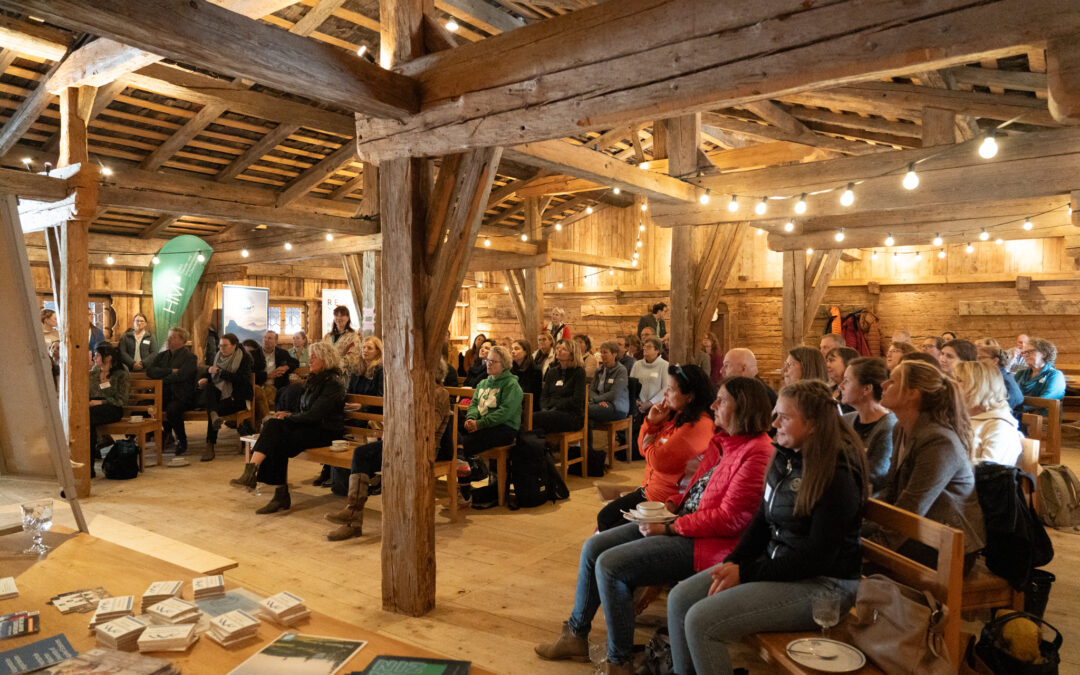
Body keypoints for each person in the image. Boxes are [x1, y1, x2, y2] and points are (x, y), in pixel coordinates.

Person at [536, 377, 775, 674]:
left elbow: (731, 519)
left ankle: (618, 660)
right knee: (594, 546)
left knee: (610, 566)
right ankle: (575, 634)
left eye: (722, 400)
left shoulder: (758, 451)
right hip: (681, 520)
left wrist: (673, 526)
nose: (714, 405)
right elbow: (697, 487)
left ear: (743, 408)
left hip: (707, 543)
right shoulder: (724, 440)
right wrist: (674, 503)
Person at [666, 380, 870, 675]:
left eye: (784, 417)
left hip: (824, 585)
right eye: (775, 415)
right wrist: (734, 561)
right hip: (781, 568)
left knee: (702, 621)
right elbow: (761, 521)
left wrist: (746, 572)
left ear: (812, 424)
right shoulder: (786, 457)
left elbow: (818, 556)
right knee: (680, 598)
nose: (774, 424)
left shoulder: (836, 474)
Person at [324, 363, 453, 540]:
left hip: (423, 449)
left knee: (378, 457)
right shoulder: (411, 389)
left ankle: (394, 522)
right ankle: (353, 516)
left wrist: (400, 424)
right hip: (400, 443)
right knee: (361, 454)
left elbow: (428, 429)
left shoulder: (439, 393)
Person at [876, 360, 985, 569]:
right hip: (917, 530)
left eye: (893, 381)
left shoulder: (938, 440)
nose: (883, 384)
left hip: (946, 546)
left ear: (912, 393)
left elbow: (913, 504)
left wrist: (876, 546)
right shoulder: (900, 428)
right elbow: (892, 488)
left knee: (843, 558)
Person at [597, 364, 715, 531]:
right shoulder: (676, 416)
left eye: (671, 389)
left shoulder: (698, 426)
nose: (665, 394)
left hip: (666, 505)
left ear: (689, 396)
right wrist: (651, 423)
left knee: (609, 530)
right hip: (649, 491)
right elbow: (641, 448)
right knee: (604, 518)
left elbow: (659, 461)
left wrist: (649, 445)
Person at [232, 342, 347, 513]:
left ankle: (269, 486)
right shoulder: (316, 379)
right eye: (311, 356)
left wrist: (291, 417)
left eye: (315, 357)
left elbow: (316, 415)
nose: (310, 360)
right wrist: (289, 413)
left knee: (275, 432)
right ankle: (266, 484)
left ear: (326, 359)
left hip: (326, 432)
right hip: (310, 427)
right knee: (275, 431)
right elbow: (305, 410)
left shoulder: (333, 383)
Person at [839, 357, 896, 495]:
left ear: (867, 388)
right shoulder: (845, 421)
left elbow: (875, 476)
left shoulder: (889, 427)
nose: (841, 386)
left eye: (847, 380)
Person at [954, 361, 1023, 466]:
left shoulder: (1001, 427)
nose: (950, 385)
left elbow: (992, 474)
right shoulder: (957, 418)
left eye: (958, 380)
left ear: (979, 387)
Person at [197, 333, 252, 462]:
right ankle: (214, 416)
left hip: (238, 397)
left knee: (212, 410)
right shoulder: (218, 356)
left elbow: (242, 380)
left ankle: (210, 445)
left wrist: (221, 373)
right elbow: (210, 370)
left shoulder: (244, 358)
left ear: (234, 345)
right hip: (220, 396)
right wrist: (203, 378)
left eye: (225, 346)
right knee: (210, 389)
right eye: (220, 346)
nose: (222, 349)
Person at [461, 345, 524, 459]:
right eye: (487, 360)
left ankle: (471, 469)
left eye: (493, 361)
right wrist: (471, 419)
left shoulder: (511, 385)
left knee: (465, 443)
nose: (488, 364)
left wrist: (479, 424)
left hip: (504, 428)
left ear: (504, 364)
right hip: (482, 425)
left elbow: (504, 412)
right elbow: (474, 404)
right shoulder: (483, 383)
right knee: (454, 433)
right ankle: (467, 466)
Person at [146, 327, 198, 461]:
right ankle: (165, 434)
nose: (169, 340)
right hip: (163, 394)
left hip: (181, 396)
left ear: (183, 341)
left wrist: (161, 380)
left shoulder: (190, 357)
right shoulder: (162, 355)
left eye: (173, 337)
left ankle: (182, 440)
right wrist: (169, 371)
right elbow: (150, 371)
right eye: (169, 337)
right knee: (144, 406)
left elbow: (181, 376)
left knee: (172, 410)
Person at [89, 343, 130, 478]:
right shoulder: (94, 372)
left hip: (112, 408)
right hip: (94, 408)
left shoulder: (120, 374)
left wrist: (101, 402)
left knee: (87, 419)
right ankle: (89, 464)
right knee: (86, 421)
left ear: (108, 357)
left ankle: (90, 463)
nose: (94, 357)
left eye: (98, 355)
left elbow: (122, 400)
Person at [534, 339, 587, 434]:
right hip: (550, 412)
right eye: (558, 348)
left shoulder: (579, 372)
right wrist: (545, 408)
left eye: (563, 349)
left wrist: (555, 406)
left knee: (533, 419)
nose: (558, 350)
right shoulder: (552, 372)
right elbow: (544, 396)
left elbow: (577, 400)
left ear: (572, 354)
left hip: (571, 415)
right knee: (533, 422)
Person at [587, 341, 629, 451]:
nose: (602, 355)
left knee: (584, 410)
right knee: (586, 418)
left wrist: (596, 400)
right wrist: (598, 401)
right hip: (601, 405)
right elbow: (591, 390)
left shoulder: (621, 370)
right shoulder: (599, 371)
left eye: (605, 352)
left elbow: (614, 394)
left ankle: (587, 451)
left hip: (616, 407)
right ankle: (587, 451)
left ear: (614, 354)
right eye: (601, 352)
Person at [1014, 336, 1066, 405]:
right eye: (1024, 352)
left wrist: (1018, 409)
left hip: (1043, 414)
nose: (1026, 355)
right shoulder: (1020, 374)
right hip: (1017, 413)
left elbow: (1047, 400)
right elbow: (1009, 394)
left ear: (1044, 354)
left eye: (1030, 352)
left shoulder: (1055, 375)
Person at [976, 342, 1024, 411]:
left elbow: (1012, 402)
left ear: (995, 360)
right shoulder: (991, 377)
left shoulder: (1005, 381)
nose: (977, 362)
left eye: (981, 358)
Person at [261, 331, 298, 406]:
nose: (266, 340)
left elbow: (295, 362)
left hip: (278, 387)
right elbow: (252, 373)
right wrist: (268, 376)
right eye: (265, 337)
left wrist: (286, 367)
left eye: (269, 338)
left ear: (276, 342)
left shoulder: (282, 353)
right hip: (261, 386)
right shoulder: (255, 354)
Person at [323, 305, 362, 374]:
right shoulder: (327, 336)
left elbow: (353, 356)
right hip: (326, 371)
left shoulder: (353, 336)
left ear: (348, 318)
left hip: (344, 373)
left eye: (342, 315)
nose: (339, 318)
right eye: (336, 315)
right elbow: (321, 352)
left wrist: (335, 364)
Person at [241, 339, 269, 424]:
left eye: (251, 352)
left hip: (258, 386)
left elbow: (260, 375)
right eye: (246, 352)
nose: (248, 354)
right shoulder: (239, 360)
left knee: (261, 393)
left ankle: (255, 424)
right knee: (257, 391)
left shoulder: (259, 361)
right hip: (243, 388)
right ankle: (266, 421)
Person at [510, 339, 542, 411]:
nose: (512, 351)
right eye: (512, 349)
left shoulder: (535, 371)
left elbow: (532, 396)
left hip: (528, 407)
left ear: (526, 352)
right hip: (512, 404)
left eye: (516, 349)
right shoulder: (510, 370)